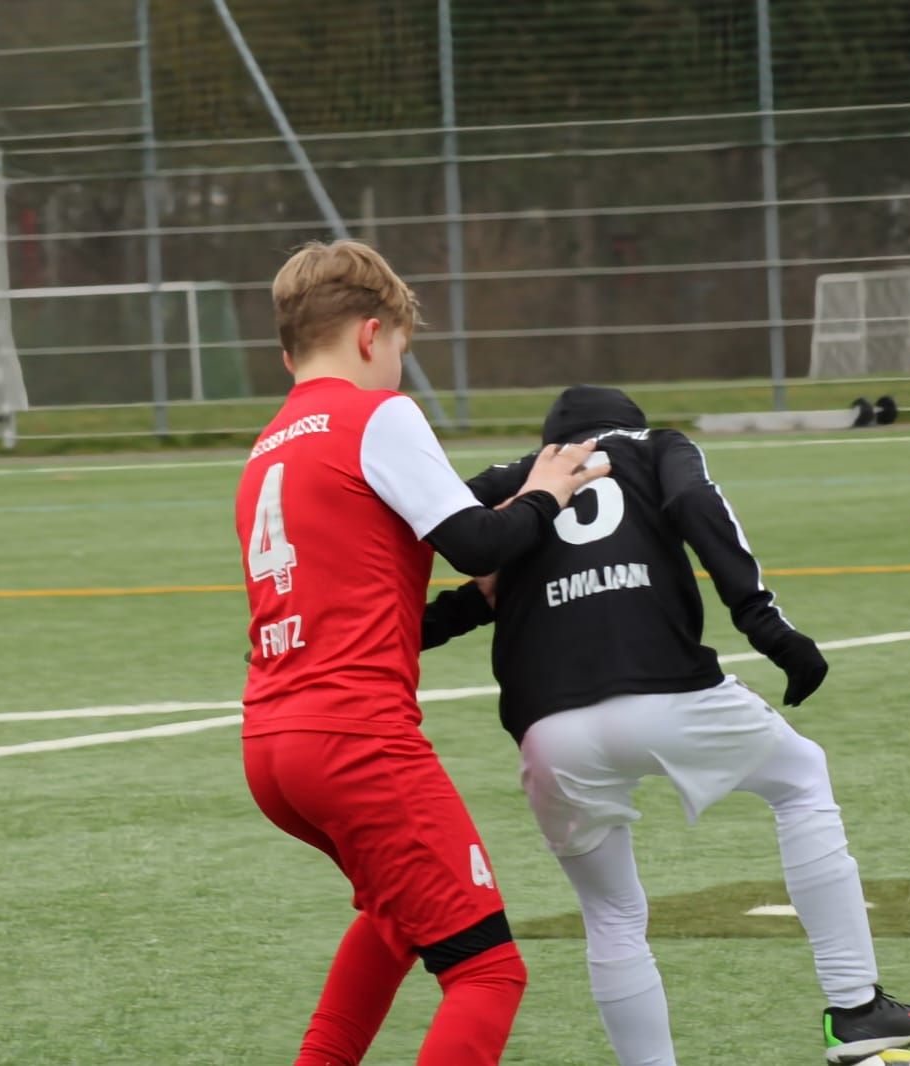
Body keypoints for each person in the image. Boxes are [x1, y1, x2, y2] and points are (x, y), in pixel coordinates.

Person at [423, 385, 910, 1066]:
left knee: (612, 916)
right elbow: (696, 504)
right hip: (668, 688)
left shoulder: (522, 478)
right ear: (627, 424)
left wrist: (398, 627)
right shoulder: (657, 445)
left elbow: (444, 544)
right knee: (799, 778)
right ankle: (854, 1007)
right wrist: (766, 626)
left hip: (547, 727)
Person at [235, 241, 609, 1066]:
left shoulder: (268, 447)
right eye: (402, 348)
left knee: (395, 920)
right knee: (488, 973)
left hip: (272, 746)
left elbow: (372, 614)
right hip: (356, 742)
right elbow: (478, 542)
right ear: (372, 335)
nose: (399, 367)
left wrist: (474, 605)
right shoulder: (379, 415)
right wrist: (544, 494)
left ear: (288, 352)